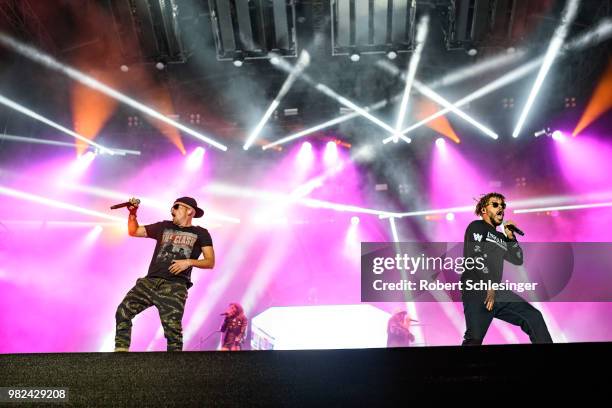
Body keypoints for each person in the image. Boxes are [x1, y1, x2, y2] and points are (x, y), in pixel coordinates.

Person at [114, 196, 215, 352]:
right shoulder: (163, 227)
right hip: (150, 282)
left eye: (176, 207)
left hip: (175, 286)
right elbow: (133, 231)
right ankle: (120, 355)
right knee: (123, 312)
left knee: (172, 330)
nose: (171, 210)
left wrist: (188, 262)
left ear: (189, 211)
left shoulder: (201, 233)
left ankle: (174, 370)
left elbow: (210, 262)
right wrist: (133, 213)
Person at [461, 192, 552, 345]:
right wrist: (488, 284)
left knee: (533, 317)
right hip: (476, 289)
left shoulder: (501, 237)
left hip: (496, 290)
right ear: (484, 210)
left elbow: (517, 259)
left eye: (503, 206)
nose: (501, 209)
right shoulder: (477, 227)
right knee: (474, 339)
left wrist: (510, 237)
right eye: (495, 205)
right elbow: (475, 257)